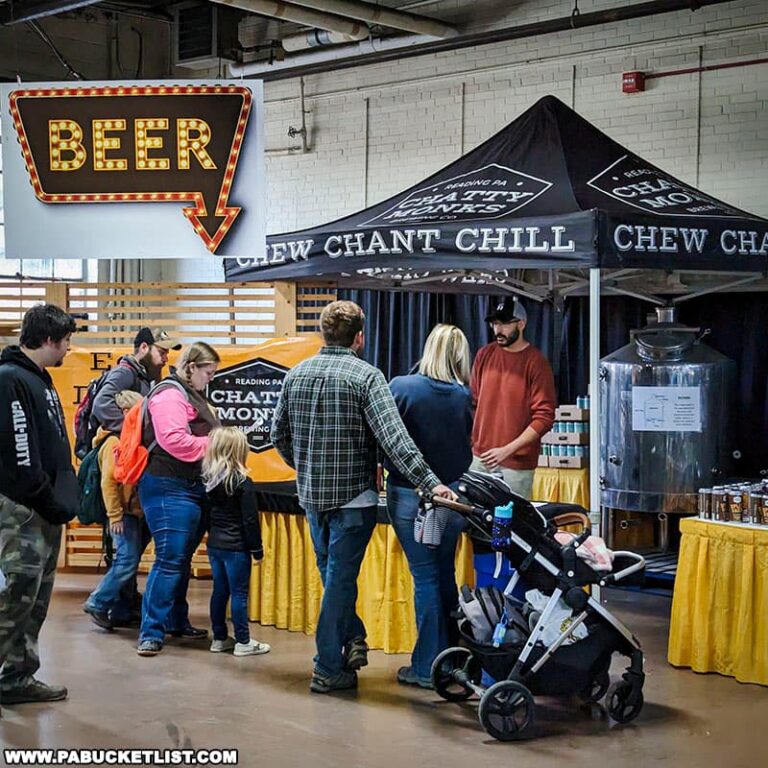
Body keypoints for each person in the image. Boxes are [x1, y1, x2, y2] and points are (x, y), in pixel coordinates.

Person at [271, 300, 456, 695]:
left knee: (333, 578)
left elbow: (277, 437)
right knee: (338, 580)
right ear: (359, 337)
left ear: (324, 333)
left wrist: (303, 465)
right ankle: (327, 667)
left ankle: (352, 639)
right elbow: (395, 440)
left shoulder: (296, 375)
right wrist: (429, 482)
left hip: (311, 499)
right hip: (354, 500)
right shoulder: (367, 377)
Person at [0, 304, 78, 714]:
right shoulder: (10, 379)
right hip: (22, 509)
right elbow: (19, 453)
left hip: (44, 509)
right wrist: (44, 497)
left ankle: (16, 677)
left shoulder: (40, 380)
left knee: (34, 600)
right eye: (65, 341)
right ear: (48, 339)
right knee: (15, 594)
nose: (68, 349)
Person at [386, 324, 474, 689]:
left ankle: (426, 667)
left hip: (411, 496)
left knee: (425, 579)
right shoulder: (462, 395)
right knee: (444, 575)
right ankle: (453, 659)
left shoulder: (401, 388)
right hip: (453, 497)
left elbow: (387, 439)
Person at [136, 342, 221, 657]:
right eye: (208, 372)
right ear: (192, 368)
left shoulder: (192, 395)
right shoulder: (170, 395)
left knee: (179, 558)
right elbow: (173, 440)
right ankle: (151, 632)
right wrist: (217, 445)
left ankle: (175, 620)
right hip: (168, 485)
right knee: (170, 559)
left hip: (190, 485)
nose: (210, 379)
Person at [470, 296, 556, 499]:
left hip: (516, 465)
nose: (498, 330)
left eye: (505, 324)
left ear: (521, 324)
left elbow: (544, 417)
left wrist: (507, 449)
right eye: (495, 324)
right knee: (476, 525)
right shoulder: (485, 355)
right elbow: (472, 402)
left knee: (512, 525)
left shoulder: (536, 362)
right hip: (479, 458)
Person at [83, 389, 150, 631]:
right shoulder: (113, 442)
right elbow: (108, 482)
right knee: (127, 560)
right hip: (124, 513)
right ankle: (98, 601)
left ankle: (122, 609)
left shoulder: (127, 439)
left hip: (134, 511)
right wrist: (115, 516)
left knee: (128, 560)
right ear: (125, 412)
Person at [202, 427, 270, 658]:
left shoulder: (209, 481)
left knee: (219, 591)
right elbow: (250, 520)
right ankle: (243, 641)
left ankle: (219, 637)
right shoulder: (243, 482)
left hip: (215, 545)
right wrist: (257, 550)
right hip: (237, 547)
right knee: (239, 594)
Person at [91, 327, 182, 434]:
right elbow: (101, 403)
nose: (165, 359)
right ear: (144, 347)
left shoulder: (144, 375)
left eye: (167, 354)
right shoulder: (125, 372)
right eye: (162, 353)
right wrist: (132, 431)